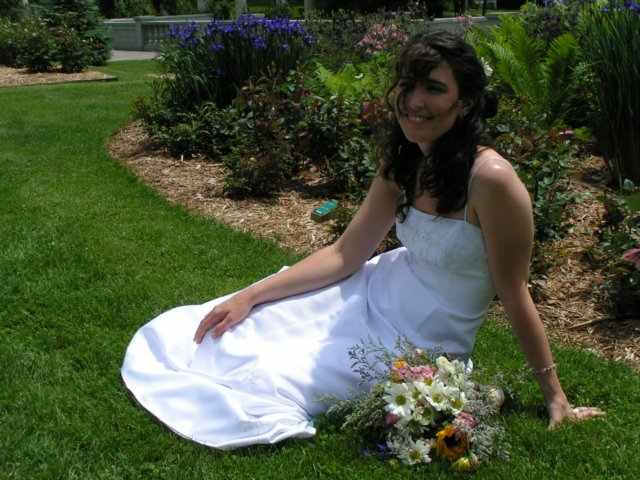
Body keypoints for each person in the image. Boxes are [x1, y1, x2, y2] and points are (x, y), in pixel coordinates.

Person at [121, 31, 604, 449]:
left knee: (278, 375)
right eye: (407, 84)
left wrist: (554, 396)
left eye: (434, 89)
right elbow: (345, 253)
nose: (413, 101)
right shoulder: (406, 160)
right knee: (240, 328)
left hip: (423, 339)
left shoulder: (492, 180)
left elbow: (514, 292)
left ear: (465, 103)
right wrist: (251, 295)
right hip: (374, 287)